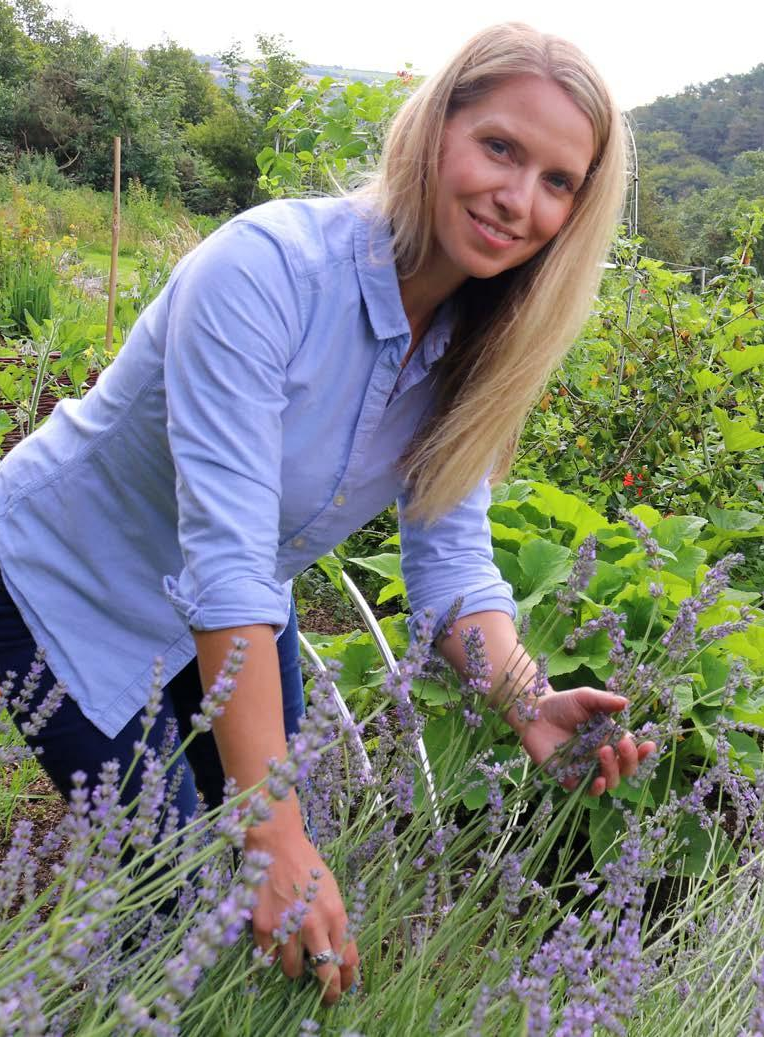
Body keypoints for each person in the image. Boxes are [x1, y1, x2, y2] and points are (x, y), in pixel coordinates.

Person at [0, 22, 656, 1004]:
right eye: (499, 148)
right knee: (177, 902)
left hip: (228, 612)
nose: (516, 199)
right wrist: (274, 831)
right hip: (58, 580)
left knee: (280, 912)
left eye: (557, 182)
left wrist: (525, 698)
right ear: (436, 128)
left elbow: (452, 569)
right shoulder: (265, 272)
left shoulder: (467, 351)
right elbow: (220, 555)